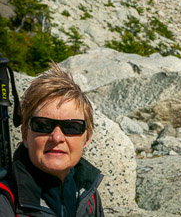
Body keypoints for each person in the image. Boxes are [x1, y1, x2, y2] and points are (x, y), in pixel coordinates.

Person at [0, 62, 104, 216]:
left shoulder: (88, 195)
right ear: (25, 134)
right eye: (43, 125)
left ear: (87, 137)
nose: (57, 137)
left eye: (72, 127)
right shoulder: (6, 199)